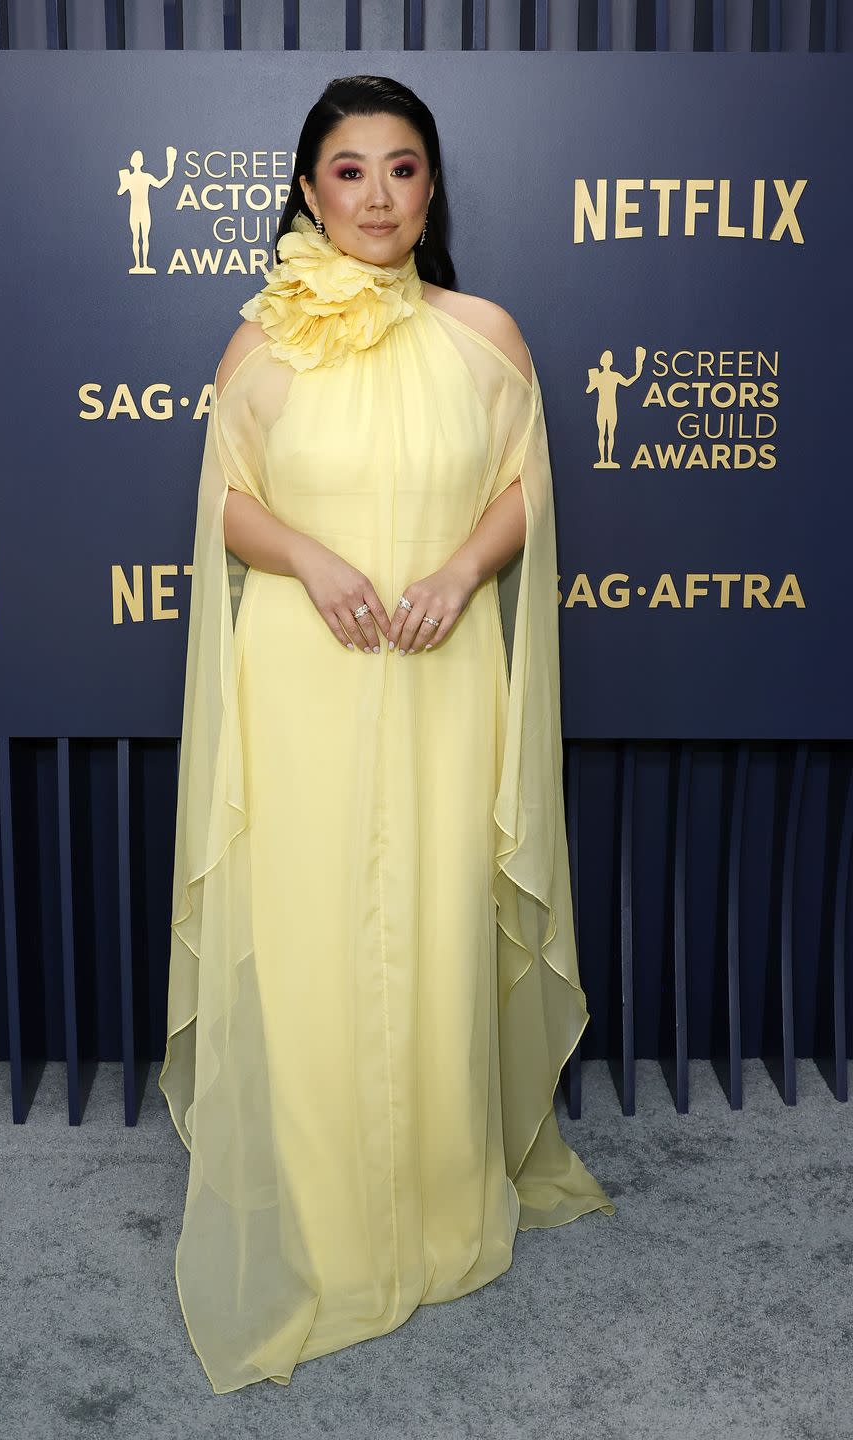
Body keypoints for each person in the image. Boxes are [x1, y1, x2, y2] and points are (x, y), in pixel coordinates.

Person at [159, 73, 616, 1396]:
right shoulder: (262, 342)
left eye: (401, 169)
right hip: (303, 671)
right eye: (348, 171)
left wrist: (463, 572)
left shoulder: (487, 338)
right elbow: (227, 509)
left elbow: (526, 484)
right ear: (307, 190)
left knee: (428, 921)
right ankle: (330, 1214)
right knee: (308, 931)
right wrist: (312, 559)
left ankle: (436, 1196)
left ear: (432, 189)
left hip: (440, 668)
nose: (375, 196)